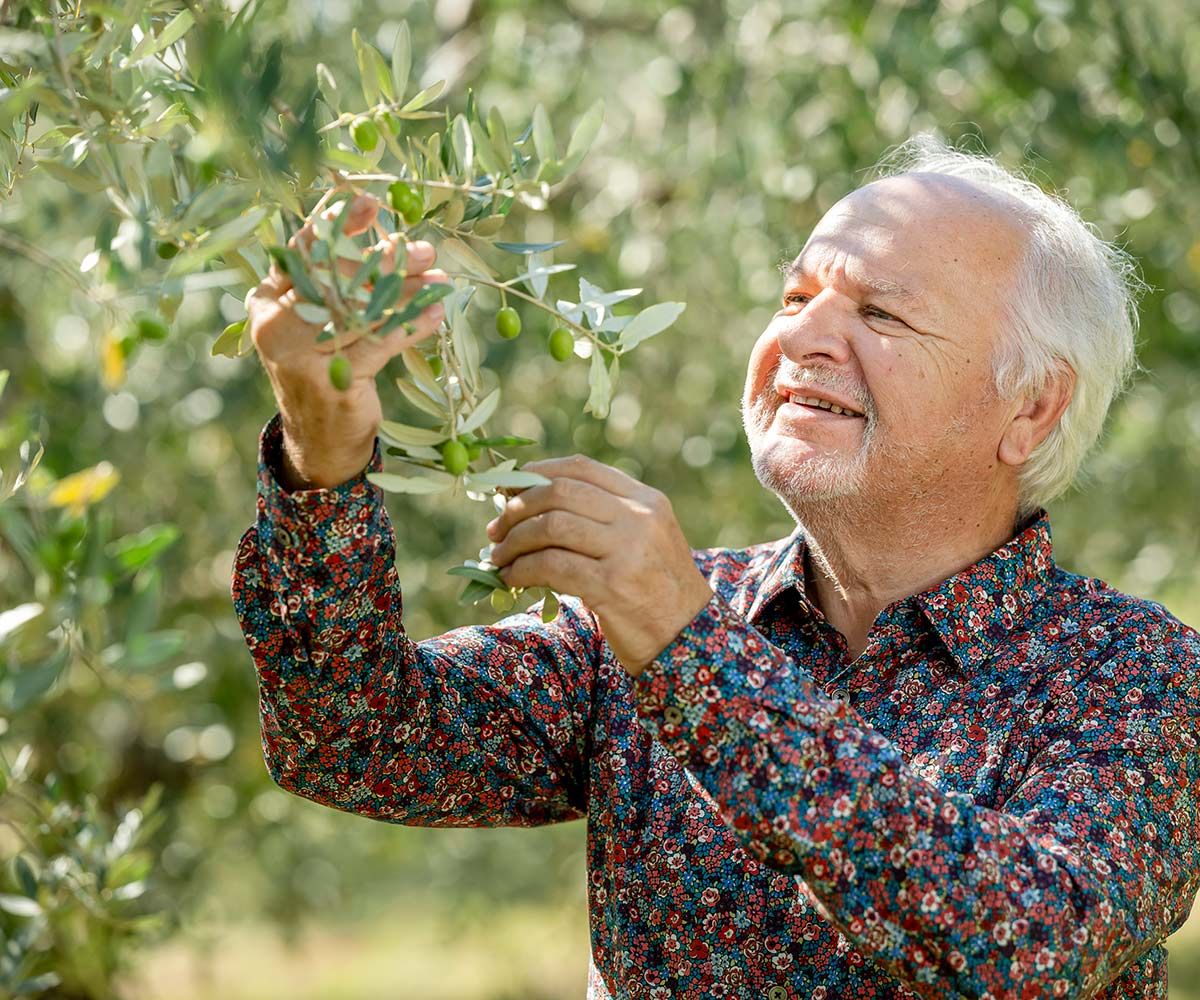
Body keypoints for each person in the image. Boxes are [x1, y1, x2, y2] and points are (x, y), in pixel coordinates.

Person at [232, 135, 1199, 998]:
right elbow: (350, 737)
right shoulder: (650, 623)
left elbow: (1028, 949)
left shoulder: (1142, 680)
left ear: (1029, 407)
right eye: (794, 296)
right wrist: (322, 462)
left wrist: (692, 654)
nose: (804, 338)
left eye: (884, 316)